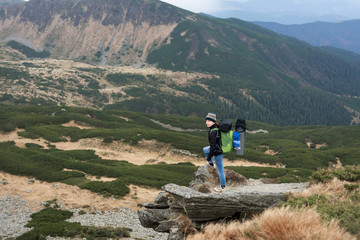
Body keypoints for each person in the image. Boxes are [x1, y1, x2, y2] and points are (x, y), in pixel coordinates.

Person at [203, 112, 226, 192]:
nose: (207, 122)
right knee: (205, 149)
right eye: (206, 120)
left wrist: (209, 157)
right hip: (218, 148)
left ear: (213, 122)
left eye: (209, 121)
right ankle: (211, 164)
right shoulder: (216, 128)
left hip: (218, 152)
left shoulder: (213, 132)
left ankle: (222, 187)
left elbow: (213, 147)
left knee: (220, 170)